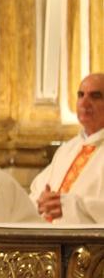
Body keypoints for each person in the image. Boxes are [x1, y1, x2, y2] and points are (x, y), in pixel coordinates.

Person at [31, 73, 104, 223]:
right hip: (51, 241)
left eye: (95, 96)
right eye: (80, 95)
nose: (85, 103)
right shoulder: (67, 149)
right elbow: (36, 192)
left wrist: (71, 206)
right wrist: (42, 202)